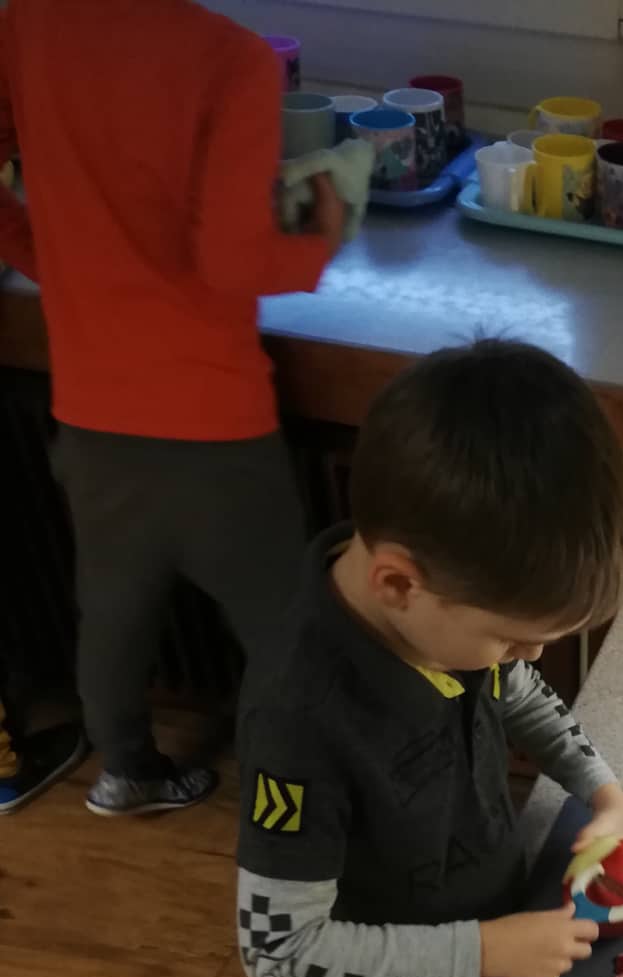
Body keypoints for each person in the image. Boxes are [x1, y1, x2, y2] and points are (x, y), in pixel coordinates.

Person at [236, 340, 623, 977]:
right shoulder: (298, 721)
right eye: (510, 639)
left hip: (498, 922)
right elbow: (277, 952)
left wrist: (604, 794)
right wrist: (479, 955)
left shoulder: (440, 601)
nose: (528, 658)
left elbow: (515, 690)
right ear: (397, 583)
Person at [0, 0, 347, 817]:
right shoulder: (233, 59)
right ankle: (295, 799)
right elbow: (230, 259)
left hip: (91, 416)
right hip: (215, 425)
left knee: (112, 613)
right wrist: (321, 229)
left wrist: (42, 250)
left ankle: (126, 772)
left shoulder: (26, 25)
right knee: (282, 627)